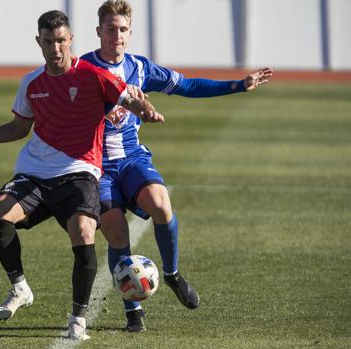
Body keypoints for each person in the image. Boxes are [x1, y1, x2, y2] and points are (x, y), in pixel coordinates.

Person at [0, 10, 162, 340]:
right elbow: (19, 127)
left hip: (79, 172)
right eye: (48, 41)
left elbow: (127, 98)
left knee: (83, 230)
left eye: (61, 41)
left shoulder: (93, 75)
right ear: (39, 42)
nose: (56, 48)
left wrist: (145, 109)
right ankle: (20, 288)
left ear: (71, 40)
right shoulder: (32, 83)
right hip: (35, 173)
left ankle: (78, 320)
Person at [81, 0, 273, 332]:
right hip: (97, 165)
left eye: (122, 29)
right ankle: (133, 310)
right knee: (116, 231)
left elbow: (187, 85)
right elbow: (60, 109)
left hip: (131, 159)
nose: (116, 35)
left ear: (130, 32)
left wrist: (238, 85)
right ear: (99, 31)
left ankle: (171, 274)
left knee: (160, 204)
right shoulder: (82, 68)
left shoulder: (139, 68)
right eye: (110, 29)